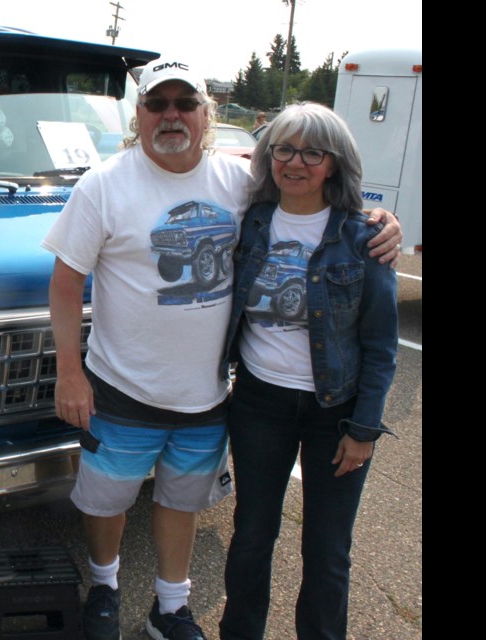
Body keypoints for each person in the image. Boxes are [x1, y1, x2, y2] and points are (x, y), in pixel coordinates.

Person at [41, 57, 402, 640]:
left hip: (207, 396)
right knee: (107, 500)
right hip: (121, 385)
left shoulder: (241, 183)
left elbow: (315, 197)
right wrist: (69, 372)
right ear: (140, 115)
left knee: (182, 501)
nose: (172, 115)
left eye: (185, 104)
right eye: (158, 104)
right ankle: (104, 587)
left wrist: (381, 220)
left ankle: (170, 608)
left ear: (207, 115)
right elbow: (65, 281)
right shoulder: (103, 184)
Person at [218, 103, 398, 640]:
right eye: (284, 149)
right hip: (258, 405)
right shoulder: (249, 220)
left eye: (312, 152)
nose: (296, 163)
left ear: (335, 163)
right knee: (251, 535)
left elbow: (381, 345)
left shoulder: (363, 238)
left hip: (335, 414)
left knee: (327, 551)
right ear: (268, 155)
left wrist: (364, 431)